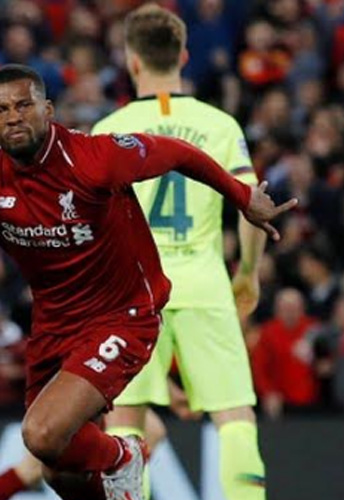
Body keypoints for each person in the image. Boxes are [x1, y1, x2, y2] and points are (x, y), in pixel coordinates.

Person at [0, 62, 294, 500]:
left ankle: (125, 454)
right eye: (0, 110)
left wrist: (243, 197)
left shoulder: (93, 158)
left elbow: (179, 152)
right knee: (58, 469)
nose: (13, 118)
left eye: (24, 105)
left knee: (42, 433)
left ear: (48, 110)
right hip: (54, 322)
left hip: (124, 314)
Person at [91, 6, 268, 500]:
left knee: (125, 423)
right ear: (184, 56)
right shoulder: (220, 124)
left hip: (133, 294)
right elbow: (252, 204)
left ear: (132, 61)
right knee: (235, 415)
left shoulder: (109, 128)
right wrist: (248, 273)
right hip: (205, 283)